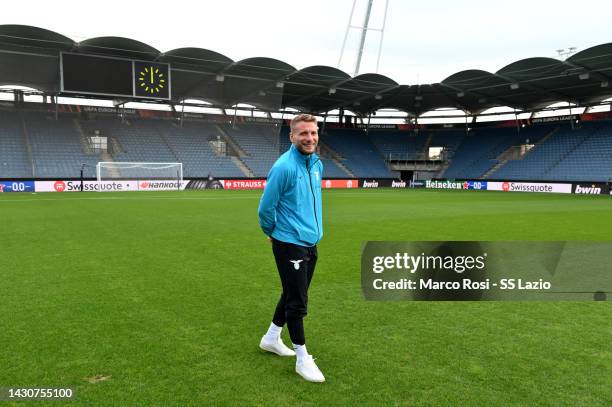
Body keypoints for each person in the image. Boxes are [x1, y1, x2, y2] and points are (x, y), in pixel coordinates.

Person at [257, 113, 325, 383]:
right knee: (298, 302)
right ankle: (302, 358)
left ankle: (271, 338)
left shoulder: (316, 163)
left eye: (313, 132)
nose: (309, 138)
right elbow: (265, 207)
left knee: (293, 291)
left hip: (310, 240)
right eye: (303, 133)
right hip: (289, 241)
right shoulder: (284, 167)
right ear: (292, 136)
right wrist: (271, 232)